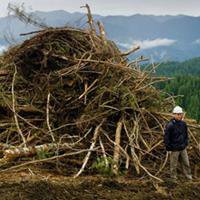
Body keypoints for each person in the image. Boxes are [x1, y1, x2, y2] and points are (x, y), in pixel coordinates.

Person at [164, 106, 192, 180]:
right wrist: (169, 148)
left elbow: (186, 134)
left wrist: (185, 143)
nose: (179, 116)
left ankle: (188, 177)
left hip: (183, 147)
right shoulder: (170, 125)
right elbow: (166, 138)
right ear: (174, 114)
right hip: (174, 149)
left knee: (186, 163)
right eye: (178, 114)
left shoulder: (183, 124)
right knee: (174, 165)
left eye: (180, 114)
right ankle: (173, 178)